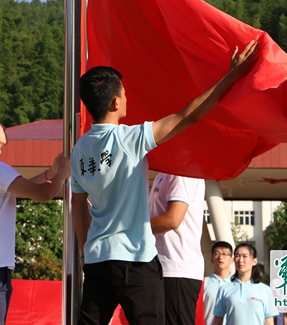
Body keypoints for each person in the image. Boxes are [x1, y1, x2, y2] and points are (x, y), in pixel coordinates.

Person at [71, 40, 259, 325]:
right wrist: (231, 75)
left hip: (98, 260)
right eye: (124, 92)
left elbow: (77, 204)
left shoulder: (80, 149)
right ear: (115, 102)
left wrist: (86, 250)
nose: (127, 96)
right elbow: (188, 115)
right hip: (135, 260)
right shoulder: (128, 139)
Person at [0, 104, 71, 325]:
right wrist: (63, 175)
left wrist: (52, 172)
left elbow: (23, 187)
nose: (4, 126)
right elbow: (43, 193)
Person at [148, 173, 205, 325]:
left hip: (177, 268)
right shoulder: (163, 173)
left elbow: (172, 220)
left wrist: (128, 227)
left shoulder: (184, 171)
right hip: (159, 267)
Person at [212, 242, 278, 325]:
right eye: (237, 256)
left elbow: (269, 321)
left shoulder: (266, 290)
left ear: (254, 261)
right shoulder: (224, 289)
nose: (240, 260)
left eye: (245, 256)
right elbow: (218, 320)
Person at [203, 241, 234, 325]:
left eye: (225, 254)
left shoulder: (237, 284)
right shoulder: (204, 283)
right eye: (216, 253)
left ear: (232, 260)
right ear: (212, 259)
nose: (221, 257)